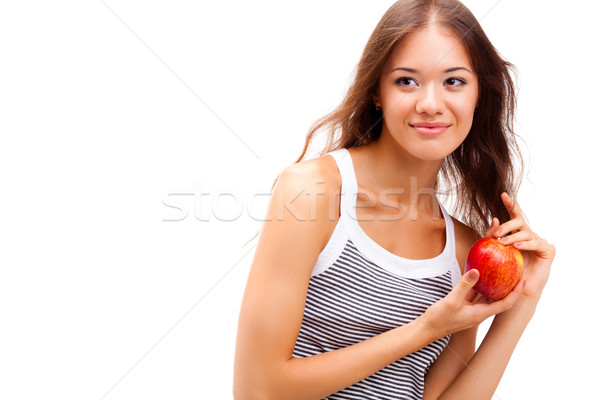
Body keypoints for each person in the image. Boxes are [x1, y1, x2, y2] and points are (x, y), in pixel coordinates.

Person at [233, 0, 555, 399]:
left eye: (453, 81)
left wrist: (523, 300)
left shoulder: (464, 252)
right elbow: (257, 390)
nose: (430, 104)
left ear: (479, 97)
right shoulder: (312, 193)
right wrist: (426, 329)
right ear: (377, 92)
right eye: (407, 81)